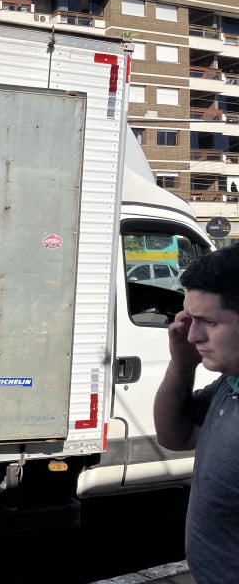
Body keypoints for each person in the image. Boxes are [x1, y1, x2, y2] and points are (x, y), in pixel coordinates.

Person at [153, 243, 239, 584]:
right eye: (190, 319)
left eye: (208, 322)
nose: (192, 336)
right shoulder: (229, 385)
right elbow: (175, 435)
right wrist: (181, 364)